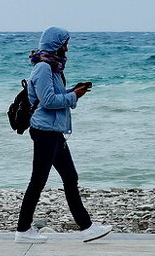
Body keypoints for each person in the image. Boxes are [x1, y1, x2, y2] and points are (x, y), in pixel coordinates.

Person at [14, 26, 112, 243]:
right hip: (44, 132)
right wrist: (73, 96)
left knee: (70, 177)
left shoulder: (53, 68)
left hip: (54, 132)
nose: (67, 47)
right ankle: (22, 230)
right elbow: (48, 102)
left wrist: (74, 92)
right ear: (56, 44)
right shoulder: (43, 68)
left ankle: (87, 227)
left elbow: (54, 97)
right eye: (65, 42)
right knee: (38, 181)